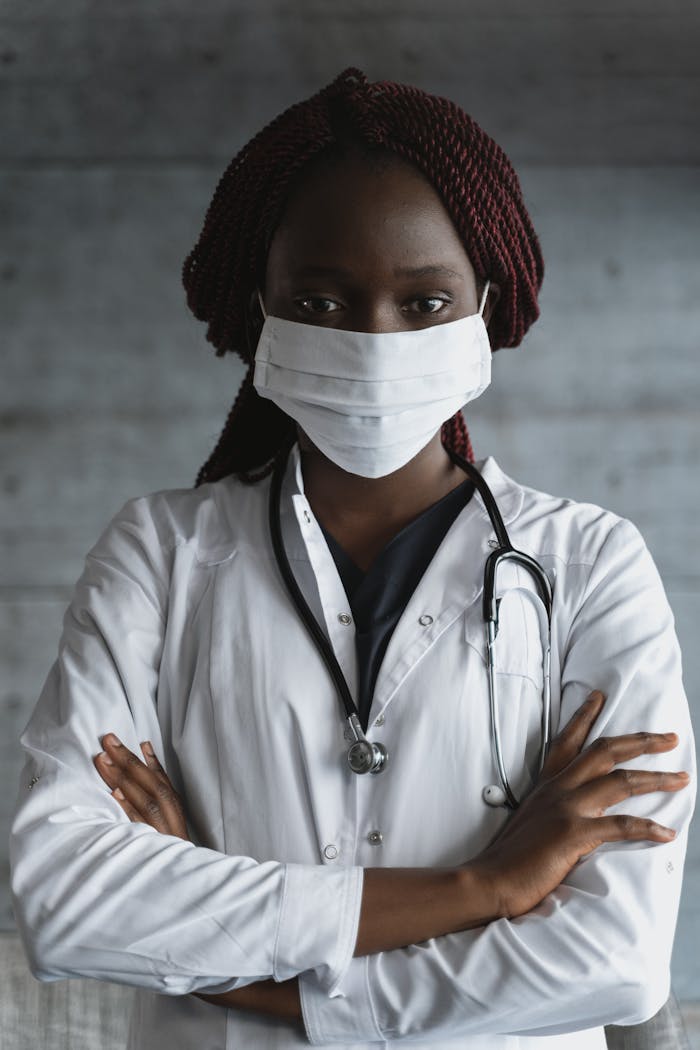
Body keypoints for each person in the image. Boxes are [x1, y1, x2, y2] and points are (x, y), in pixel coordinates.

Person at [9, 68, 695, 1050]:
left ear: (484, 306)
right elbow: (66, 901)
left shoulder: (590, 566)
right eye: (321, 302)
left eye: (422, 303)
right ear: (262, 310)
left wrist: (237, 961)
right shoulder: (159, 553)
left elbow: (612, 959)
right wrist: (487, 887)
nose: (374, 337)